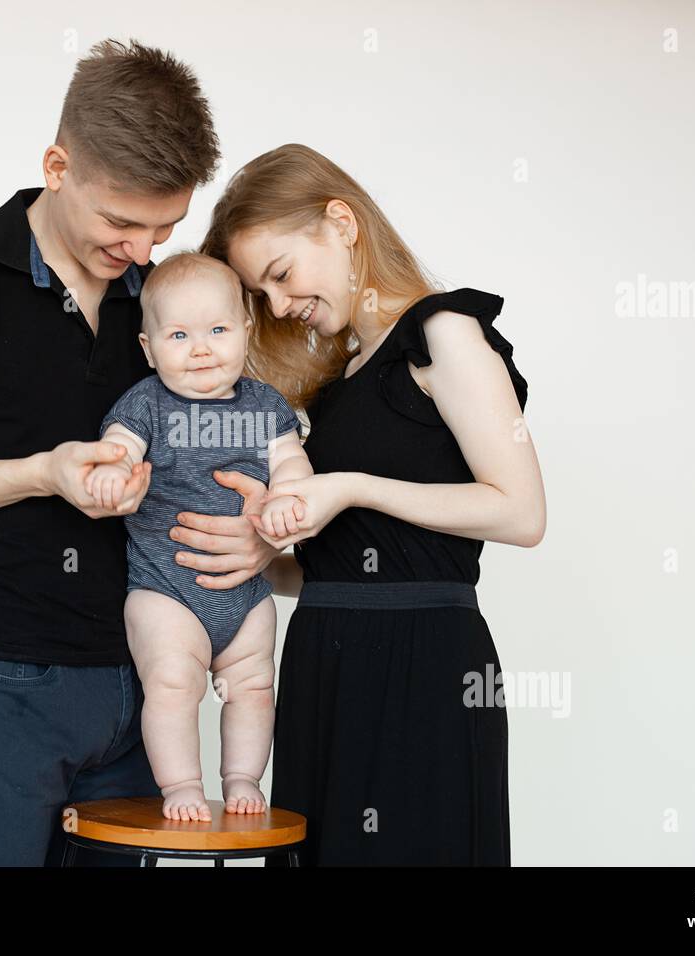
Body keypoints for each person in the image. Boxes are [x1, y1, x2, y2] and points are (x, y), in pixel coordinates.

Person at [0, 39, 255, 866]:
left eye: (165, 227)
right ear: (57, 164)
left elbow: (253, 452)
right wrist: (42, 473)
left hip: (149, 699)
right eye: (121, 222)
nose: (144, 251)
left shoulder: (174, 301)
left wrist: (261, 540)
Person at [199, 143, 547, 865]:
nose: (279, 306)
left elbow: (521, 513)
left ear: (341, 222)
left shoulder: (442, 335)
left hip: (421, 669)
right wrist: (263, 560)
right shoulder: (340, 381)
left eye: (281, 275)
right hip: (325, 666)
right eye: (260, 295)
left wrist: (349, 486)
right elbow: (351, 561)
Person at [89, 253, 312, 821]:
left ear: (245, 330)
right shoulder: (146, 403)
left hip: (247, 592)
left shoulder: (266, 405)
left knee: (255, 686)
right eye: (179, 335)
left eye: (217, 330)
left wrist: (288, 495)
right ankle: (182, 785)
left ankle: (242, 778)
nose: (201, 349)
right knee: (171, 684)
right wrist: (114, 471)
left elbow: (291, 461)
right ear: (148, 347)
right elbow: (118, 447)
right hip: (166, 590)